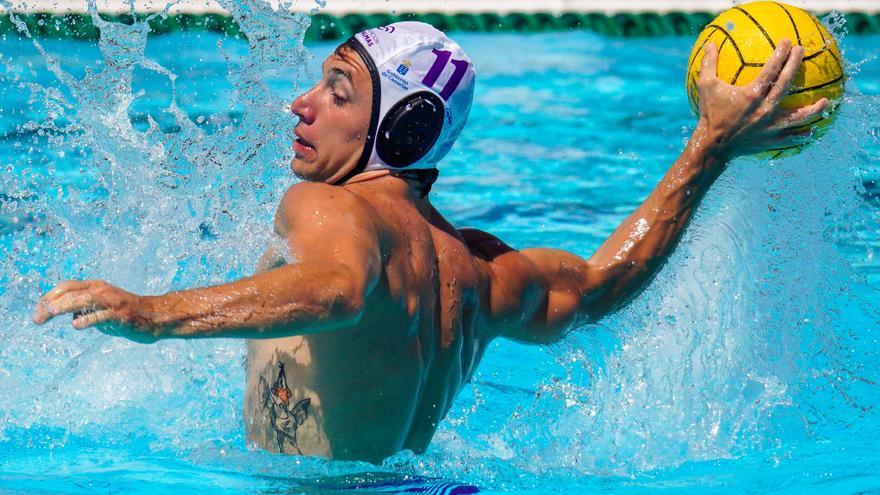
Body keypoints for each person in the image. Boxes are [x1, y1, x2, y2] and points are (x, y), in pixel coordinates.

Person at [32, 22, 827, 463]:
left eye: (337, 93)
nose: (302, 106)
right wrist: (708, 149)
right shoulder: (478, 269)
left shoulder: (329, 208)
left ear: (402, 128)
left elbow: (337, 288)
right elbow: (599, 285)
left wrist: (153, 312)